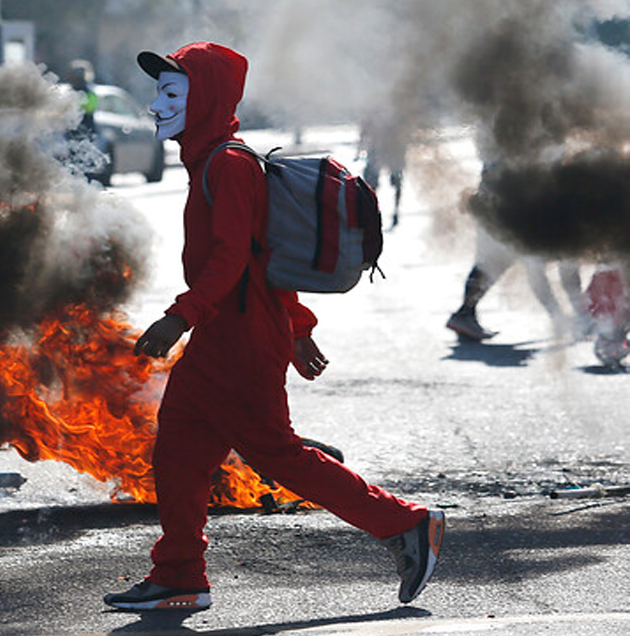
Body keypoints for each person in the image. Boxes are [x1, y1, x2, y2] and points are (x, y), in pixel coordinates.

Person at [103, 42, 445, 612]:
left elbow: (234, 258)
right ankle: (181, 573)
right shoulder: (213, 159)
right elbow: (267, 260)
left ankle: (405, 523)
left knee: (278, 455)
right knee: (179, 453)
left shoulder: (228, 165)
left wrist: (179, 316)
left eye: (171, 93)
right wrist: (297, 324)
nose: (156, 105)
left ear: (207, 98)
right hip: (227, 336)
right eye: (158, 93)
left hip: (236, 341)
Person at [446, 222, 589, 342]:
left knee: (495, 262)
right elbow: (537, 272)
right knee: (506, 262)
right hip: (508, 212)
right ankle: (464, 315)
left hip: (505, 210)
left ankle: (464, 314)